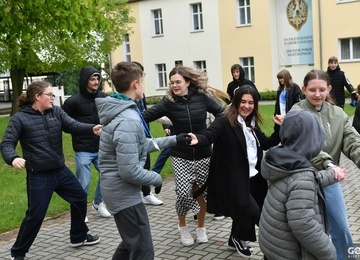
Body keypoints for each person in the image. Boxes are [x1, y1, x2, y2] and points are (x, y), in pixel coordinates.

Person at [95, 61, 192, 259]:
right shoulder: (127, 120)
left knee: (130, 243)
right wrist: (155, 178)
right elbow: (129, 170)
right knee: (143, 250)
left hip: (118, 192)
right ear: (135, 84)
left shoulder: (122, 111)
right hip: (123, 196)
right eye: (143, 81)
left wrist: (175, 139)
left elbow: (139, 144)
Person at [0, 81, 101, 260]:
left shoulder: (56, 112)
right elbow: (7, 143)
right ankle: (18, 253)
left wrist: (91, 128)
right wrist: (13, 158)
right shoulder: (20, 118)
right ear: (38, 96)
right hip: (38, 175)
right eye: (50, 95)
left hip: (60, 171)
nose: (53, 98)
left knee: (79, 197)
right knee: (35, 215)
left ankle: (78, 236)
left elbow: (73, 125)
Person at [189, 85, 281, 258]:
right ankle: (239, 237)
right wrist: (198, 139)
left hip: (254, 177)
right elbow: (210, 134)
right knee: (252, 212)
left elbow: (268, 143)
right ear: (235, 102)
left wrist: (278, 128)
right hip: (233, 178)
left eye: (251, 103)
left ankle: (233, 239)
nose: (247, 106)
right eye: (243, 102)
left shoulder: (250, 124)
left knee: (254, 210)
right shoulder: (224, 121)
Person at [142, 66, 228, 247]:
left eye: (178, 82)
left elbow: (223, 113)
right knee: (183, 193)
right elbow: (146, 116)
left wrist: (210, 133)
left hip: (204, 153)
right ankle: (182, 226)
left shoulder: (202, 98)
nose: (174, 85)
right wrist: (125, 117)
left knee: (202, 194)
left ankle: (201, 227)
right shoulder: (168, 102)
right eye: (172, 82)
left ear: (188, 82)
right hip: (180, 155)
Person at [259, 109, 346, 260]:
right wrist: (330, 253)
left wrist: (332, 174)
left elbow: (302, 182)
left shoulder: (282, 160)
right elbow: (304, 225)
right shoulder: (301, 176)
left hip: (275, 246)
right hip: (291, 252)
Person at [291, 69, 360, 260]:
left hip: (330, 180)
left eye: (322, 89)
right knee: (309, 233)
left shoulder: (338, 114)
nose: (317, 94)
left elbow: (353, 142)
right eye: (312, 90)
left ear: (329, 89)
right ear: (304, 89)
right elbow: (306, 145)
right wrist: (330, 164)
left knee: (342, 228)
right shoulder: (296, 112)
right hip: (302, 181)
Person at [62, 66, 111, 220]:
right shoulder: (72, 102)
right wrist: (80, 132)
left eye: (98, 79)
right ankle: (79, 211)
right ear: (85, 80)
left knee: (108, 176)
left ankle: (98, 203)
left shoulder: (103, 97)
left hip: (101, 146)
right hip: (83, 148)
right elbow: (64, 123)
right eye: (92, 79)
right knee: (83, 182)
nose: (96, 82)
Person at [132, 61, 164, 205]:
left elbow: (146, 113)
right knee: (134, 165)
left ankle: (146, 193)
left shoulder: (141, 93)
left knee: (146, 163)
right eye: (141, 74)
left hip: (144, 134)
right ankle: (134, 195)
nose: (142, 77)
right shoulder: (127, 95)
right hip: (132, 137)